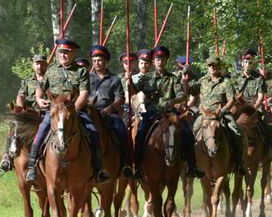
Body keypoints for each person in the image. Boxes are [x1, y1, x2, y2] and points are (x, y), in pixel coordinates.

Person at [25, 39, 111, 184]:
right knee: (40, 133)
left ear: (73, 53)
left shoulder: (81, 71)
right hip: (55, 112)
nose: (63, 55)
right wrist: (39, 100)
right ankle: (32, 167)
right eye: (61, 52)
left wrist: (74, 110)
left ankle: (98, 169)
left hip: (77, 112)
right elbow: (40, 88)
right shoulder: (51, 70)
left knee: (94, 132)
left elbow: (84, 93)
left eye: (67, 52)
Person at [131, 45, 203, 180]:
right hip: (152, 113)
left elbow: (183, 96)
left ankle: (192, 166)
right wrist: (129, 78)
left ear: (166, 60)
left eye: (162, 58)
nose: (160, 61)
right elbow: (133, 90)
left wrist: (173, 101)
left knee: (187, 131)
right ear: (153, 61)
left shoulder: (173, 78)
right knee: (140, 134)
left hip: (170, 113)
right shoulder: (146, 78)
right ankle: (138, 167)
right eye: (157, 59)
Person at [190, 56, 249, 176]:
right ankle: (193, 166)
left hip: (221, 113)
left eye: (214, 65)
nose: (212, 68)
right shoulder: (202, 81)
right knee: (192, 134)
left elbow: (231, 100)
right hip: (205, 115)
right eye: (210, 66)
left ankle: (238, 165)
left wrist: (222, 110)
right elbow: (190, 91)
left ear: (219, 67)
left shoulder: (226, 82)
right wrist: (186, 78)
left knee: (237, 132)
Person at [0, 54, 48, 174]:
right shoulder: (27, 80)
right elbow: (20, 95)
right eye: (37, 63)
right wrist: (19, 107)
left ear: (46, 65)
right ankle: (7, 157)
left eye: (42, 63)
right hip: (29, 113)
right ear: (33, 65)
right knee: (14, 125)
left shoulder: (51, 78)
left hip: (46, 112)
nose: (39, 66)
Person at [233, 50, 272, 165]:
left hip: (255, 107)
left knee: (270, 126)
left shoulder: (259, 78)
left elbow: (261, 97)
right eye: (245, 61)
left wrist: (252, 109)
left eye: (250, 62)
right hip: (239, 108)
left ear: (253, 64)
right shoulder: (236, 78)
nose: (247, 64)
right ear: (242, 63)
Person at [89, 45, 133, 178]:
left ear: (106, 61)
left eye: (100, 60)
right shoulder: (87, 77)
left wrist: (110, 108)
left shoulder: (114, 79)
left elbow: (120, 97)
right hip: (90, 113)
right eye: (95, 60)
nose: (97, 63)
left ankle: (125, 164)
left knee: (122, 131)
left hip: (108, 114)